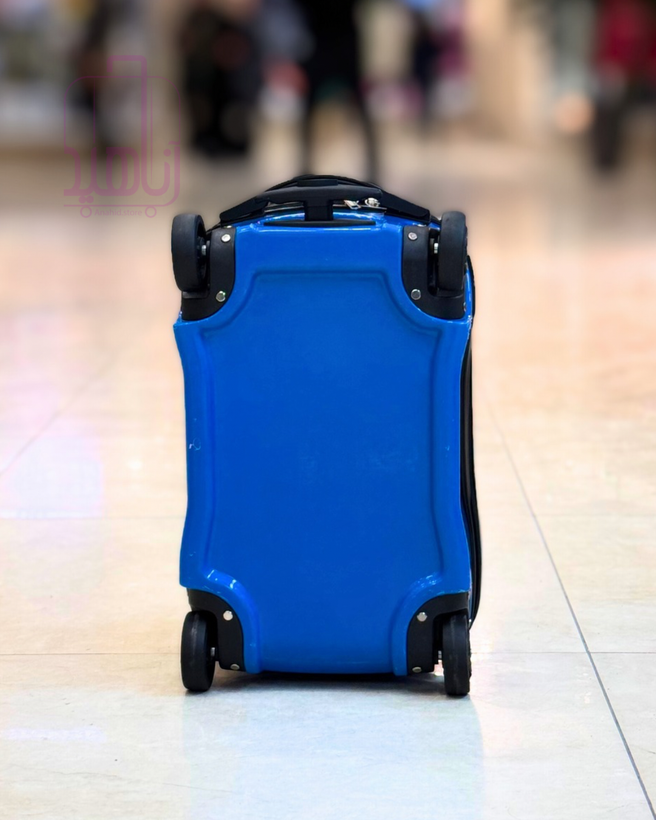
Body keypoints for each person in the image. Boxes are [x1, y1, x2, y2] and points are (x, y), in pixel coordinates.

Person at [295, 0, 379, 181]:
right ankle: (305, 166)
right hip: (321, 40)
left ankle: (373, 166)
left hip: (337, 40)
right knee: (310, 108)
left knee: (359, 107)